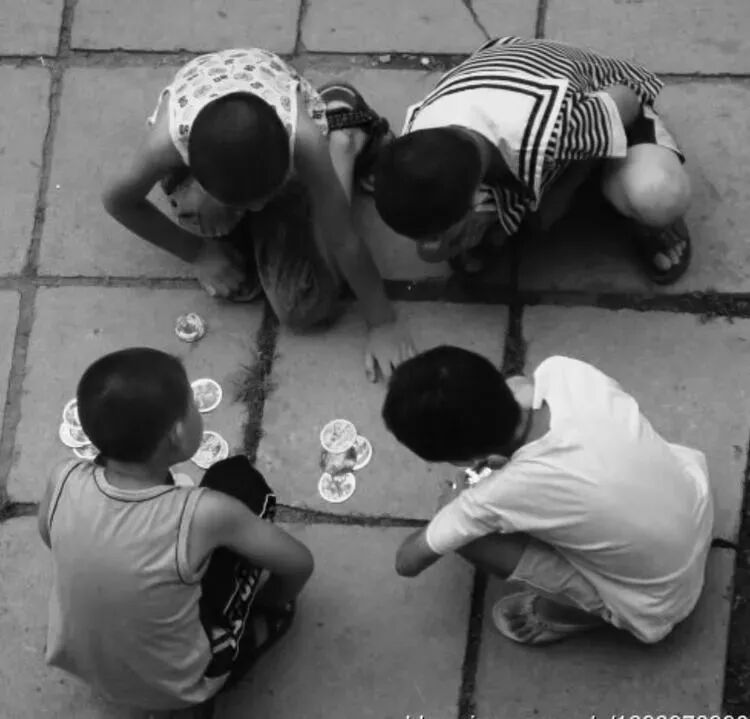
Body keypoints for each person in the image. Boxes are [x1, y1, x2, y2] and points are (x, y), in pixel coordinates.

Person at [103, 48, 414, 381]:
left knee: (306, 307)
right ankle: (248, 214)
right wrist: (197, 253)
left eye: (266, 196)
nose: (256, 208)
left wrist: (383, 322)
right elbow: (117, 201)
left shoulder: (305, 142)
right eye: (245, 202)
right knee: (206, 217)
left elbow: (345, 240)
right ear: (196, 174)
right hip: (207, 104)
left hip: (283, 114)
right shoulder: (164, 144)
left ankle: (343, 131)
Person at [38, 348, 314, 711]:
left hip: (84, 664)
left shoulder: (63, 477)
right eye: (193, 405)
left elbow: (48, 536)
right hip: (178, 686)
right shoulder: (207, 514)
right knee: (241, 481)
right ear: (178, 433)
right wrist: (272, 600)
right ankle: (252, 633)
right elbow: (299, 563)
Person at [382, 347, 713, 645]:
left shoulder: (497, 495)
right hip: (696, 504)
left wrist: (450, 507)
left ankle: (577, 615)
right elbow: (522, 384)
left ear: (462, 460)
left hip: (659, 602)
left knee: (470, 539)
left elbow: (407, 562)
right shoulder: (564, 370)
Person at [374, 36, 692, 283]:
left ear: (474, 196)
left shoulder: (555, 128)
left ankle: (642, 208)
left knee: (657, 196)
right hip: (507, 69)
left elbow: (627, 101)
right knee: (456, 228)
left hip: (601, 89)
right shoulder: (418, 136)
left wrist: (565, 188)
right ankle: (505, 207)